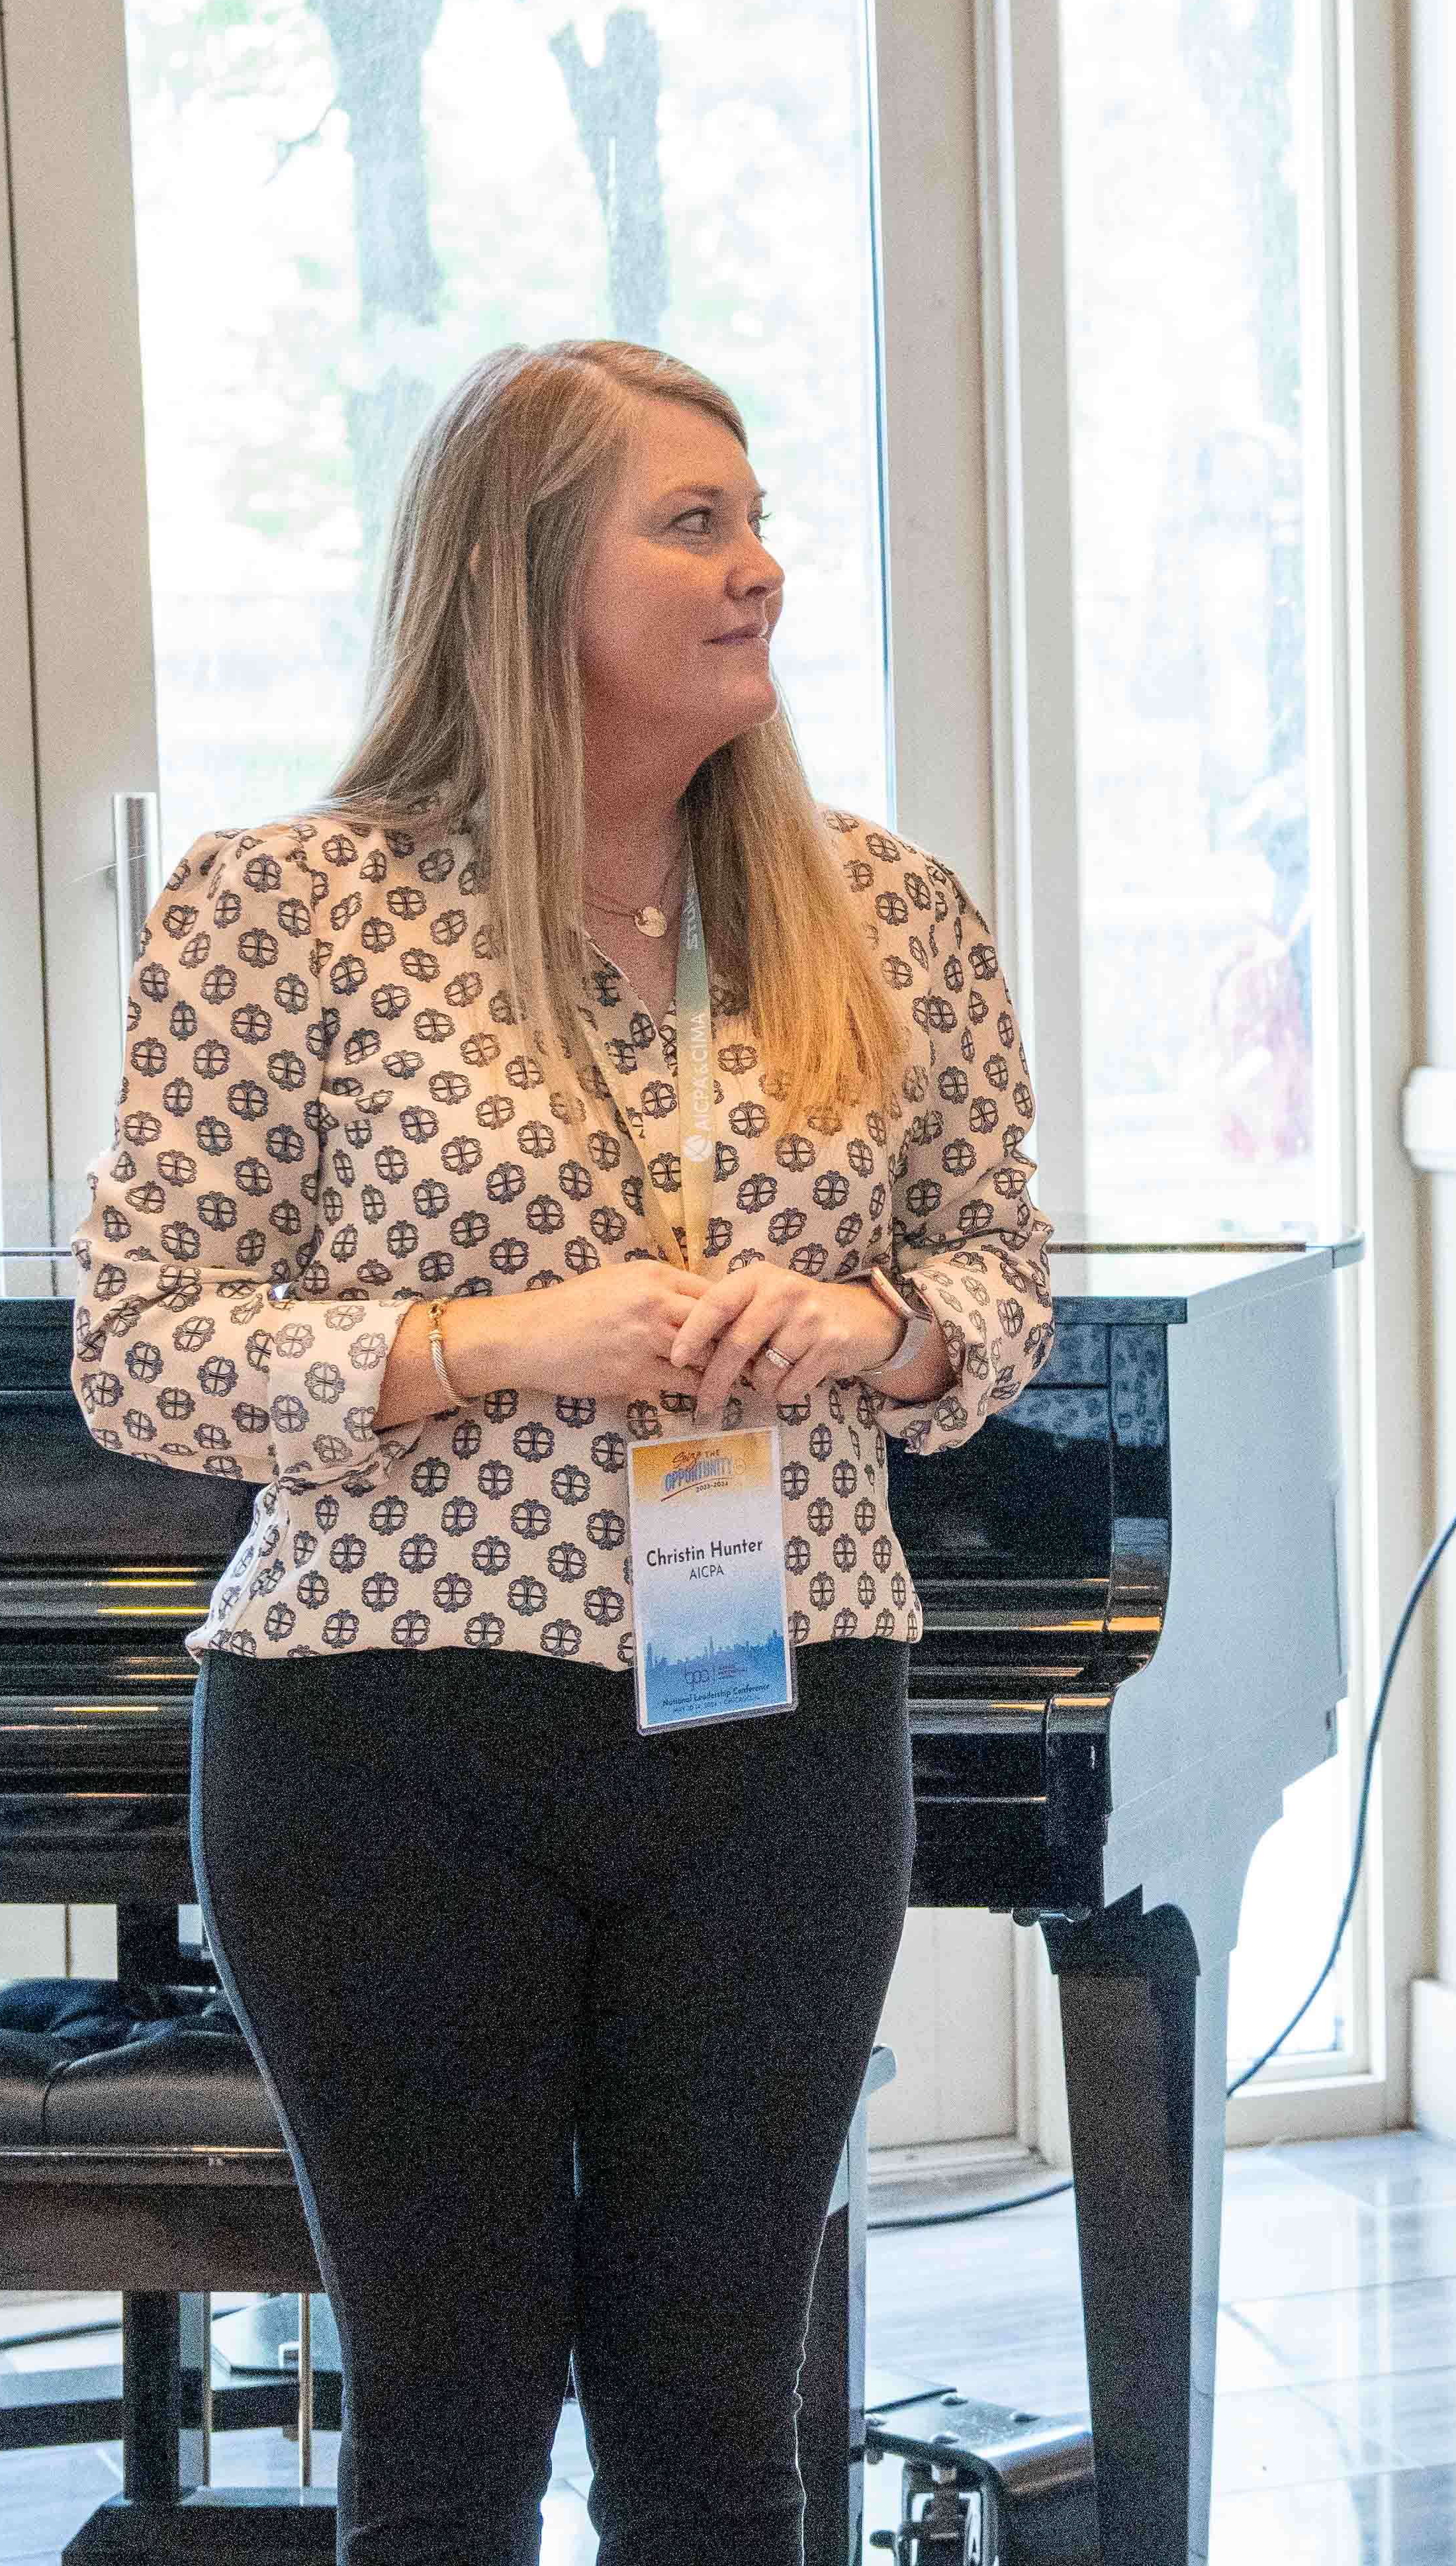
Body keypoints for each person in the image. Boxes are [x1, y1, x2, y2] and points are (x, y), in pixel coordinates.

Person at [72, 338, 1052, 2565]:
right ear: (523, 579)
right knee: (447, 2442)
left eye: (758, 517)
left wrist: (880, 1327)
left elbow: (999, 1275)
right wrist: (493, 1345)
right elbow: (140, 1357)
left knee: (719, 2439)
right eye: (693, 525)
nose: (760, 567)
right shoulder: (284, 909)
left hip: (781, 1719)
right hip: (383, 1739)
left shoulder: (892, 912)